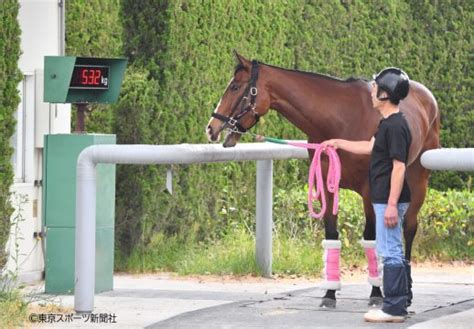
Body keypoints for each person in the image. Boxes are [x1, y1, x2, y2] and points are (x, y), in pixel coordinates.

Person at [322, 67, 412, 323]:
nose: (370, 93)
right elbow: (370, 147)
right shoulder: (388, 123)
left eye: (374, 89)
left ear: (385, 95)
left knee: (390, 251)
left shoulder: (395, 126)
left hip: (388, 199)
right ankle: (400, 302)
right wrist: (338, 143)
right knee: (392, 249)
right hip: (385, 198)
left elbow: (399, 166)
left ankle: (393, 308)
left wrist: (392, 204)